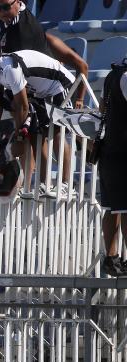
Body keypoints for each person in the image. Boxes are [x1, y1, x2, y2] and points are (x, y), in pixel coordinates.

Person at [0, 43, 75, 189]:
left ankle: (66, 184)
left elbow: (22, 106)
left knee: (57, 133)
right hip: (41, 91)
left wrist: (19, 138)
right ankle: (44, 183)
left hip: (59, 84)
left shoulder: (9, 69)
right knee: (37, 133)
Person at [0, 0, 88, 108]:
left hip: (54, 89)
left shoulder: (31, 34)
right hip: (35, 89)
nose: (1, 12)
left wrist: (79, 100)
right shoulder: (7, 21)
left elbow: (82, 66)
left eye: (5, 7)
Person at [98, 59, 127, 277]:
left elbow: (102, 108)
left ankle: (111, 258)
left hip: (109, 150)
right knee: (124, 209)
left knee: (112, 208)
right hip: (122, 152)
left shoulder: (113, 75)